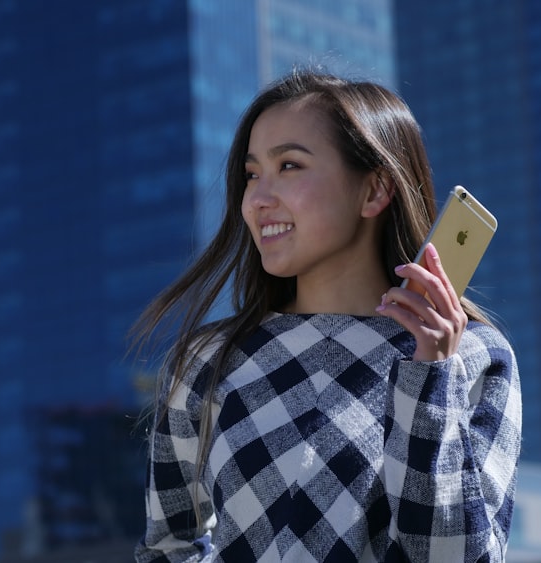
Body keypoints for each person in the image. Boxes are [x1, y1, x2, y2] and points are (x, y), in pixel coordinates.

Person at [132, 69, 521, 562]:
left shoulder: (476, 357)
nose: (257, 199)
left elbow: (456, 558)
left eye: (289, 166)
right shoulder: (207, 360)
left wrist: (430, 376)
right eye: (252, 174)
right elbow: (166, 544)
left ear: (374, 191)